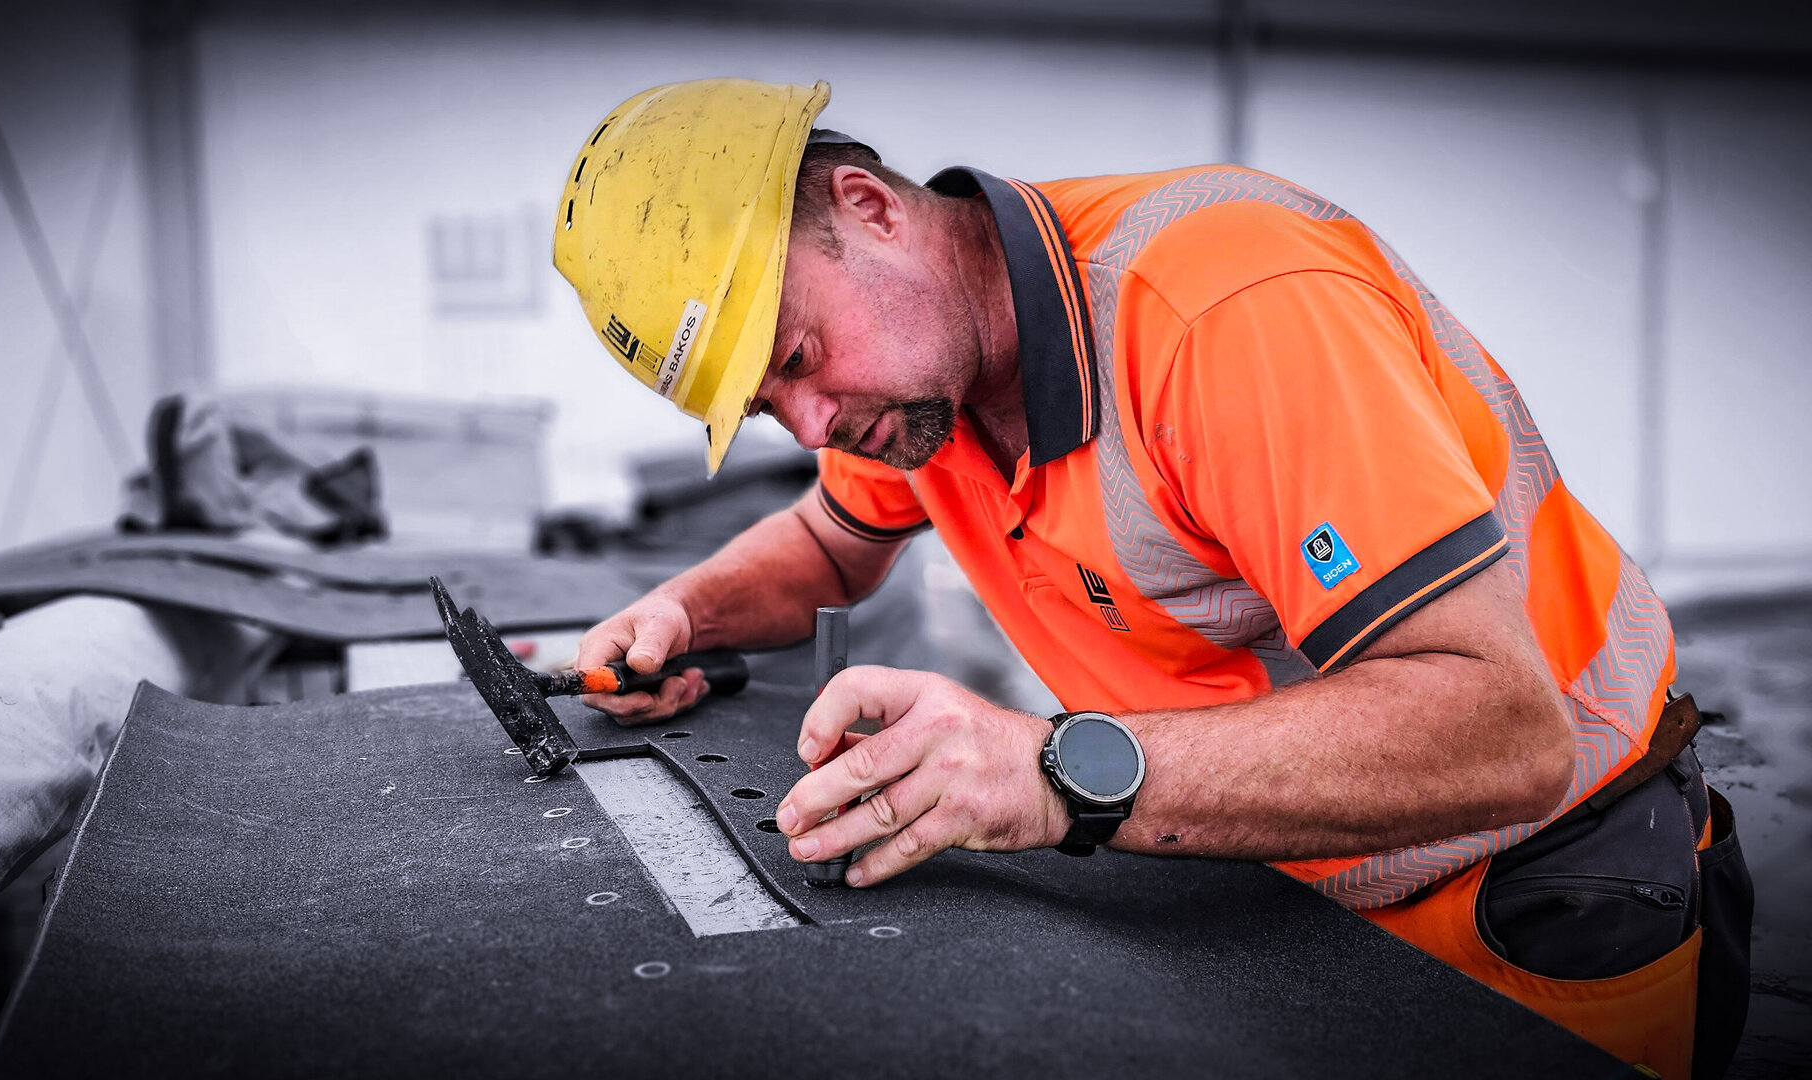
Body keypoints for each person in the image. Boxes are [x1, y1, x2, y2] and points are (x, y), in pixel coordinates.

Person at [551, 78, 1749, 1078]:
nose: (813, 423)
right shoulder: (914, 392)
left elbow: (1505, 732)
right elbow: (828, 545)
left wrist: (1050, 772)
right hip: (1277, 879)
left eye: (799, 357)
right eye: (769, 406)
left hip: (1535, 888)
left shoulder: (1227, 309)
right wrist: (683, 614)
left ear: (868, 209)